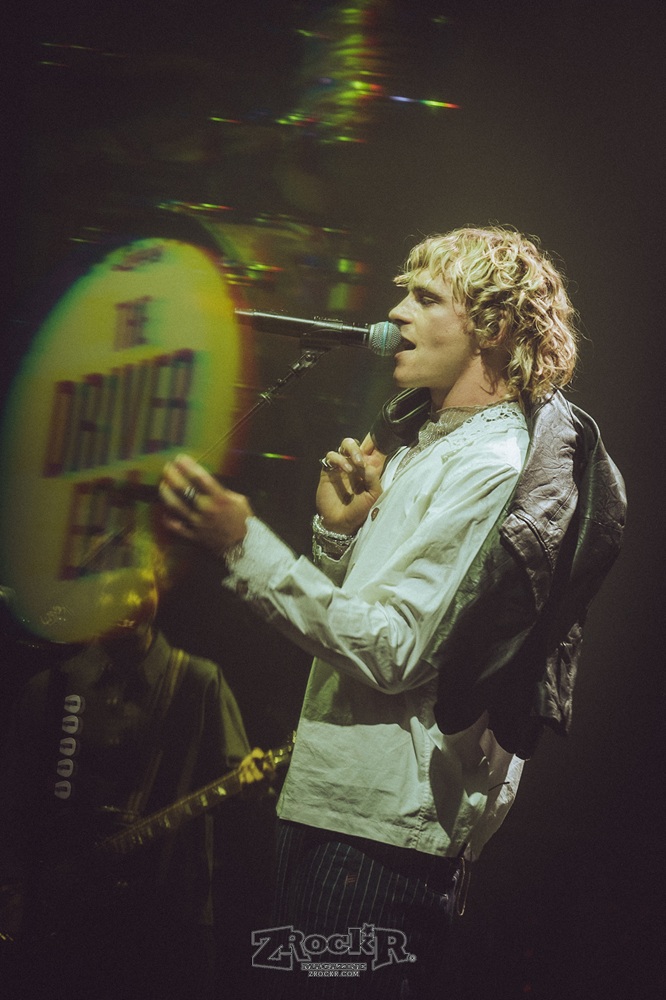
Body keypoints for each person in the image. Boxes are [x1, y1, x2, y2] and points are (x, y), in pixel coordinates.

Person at [158, 226, 626, 998]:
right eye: (403, 294)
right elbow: (367, 622)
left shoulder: (489, 465)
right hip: (342, 809)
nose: (397, 312)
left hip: (378, 838)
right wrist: (338, 539)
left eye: (426, 298)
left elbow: (394, 651)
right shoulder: (423, 446)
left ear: (493, 327)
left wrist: (244, 546)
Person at [0, 557, 270, 1000]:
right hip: (64, 922)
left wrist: (253, 788)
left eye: (138, 585)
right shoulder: (50, 688)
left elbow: (242, 804)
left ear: (159, 590)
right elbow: (13, 806)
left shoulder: (200, 681)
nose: (125, 599)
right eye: (109, 586)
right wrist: (12, 894)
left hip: (168, 924)